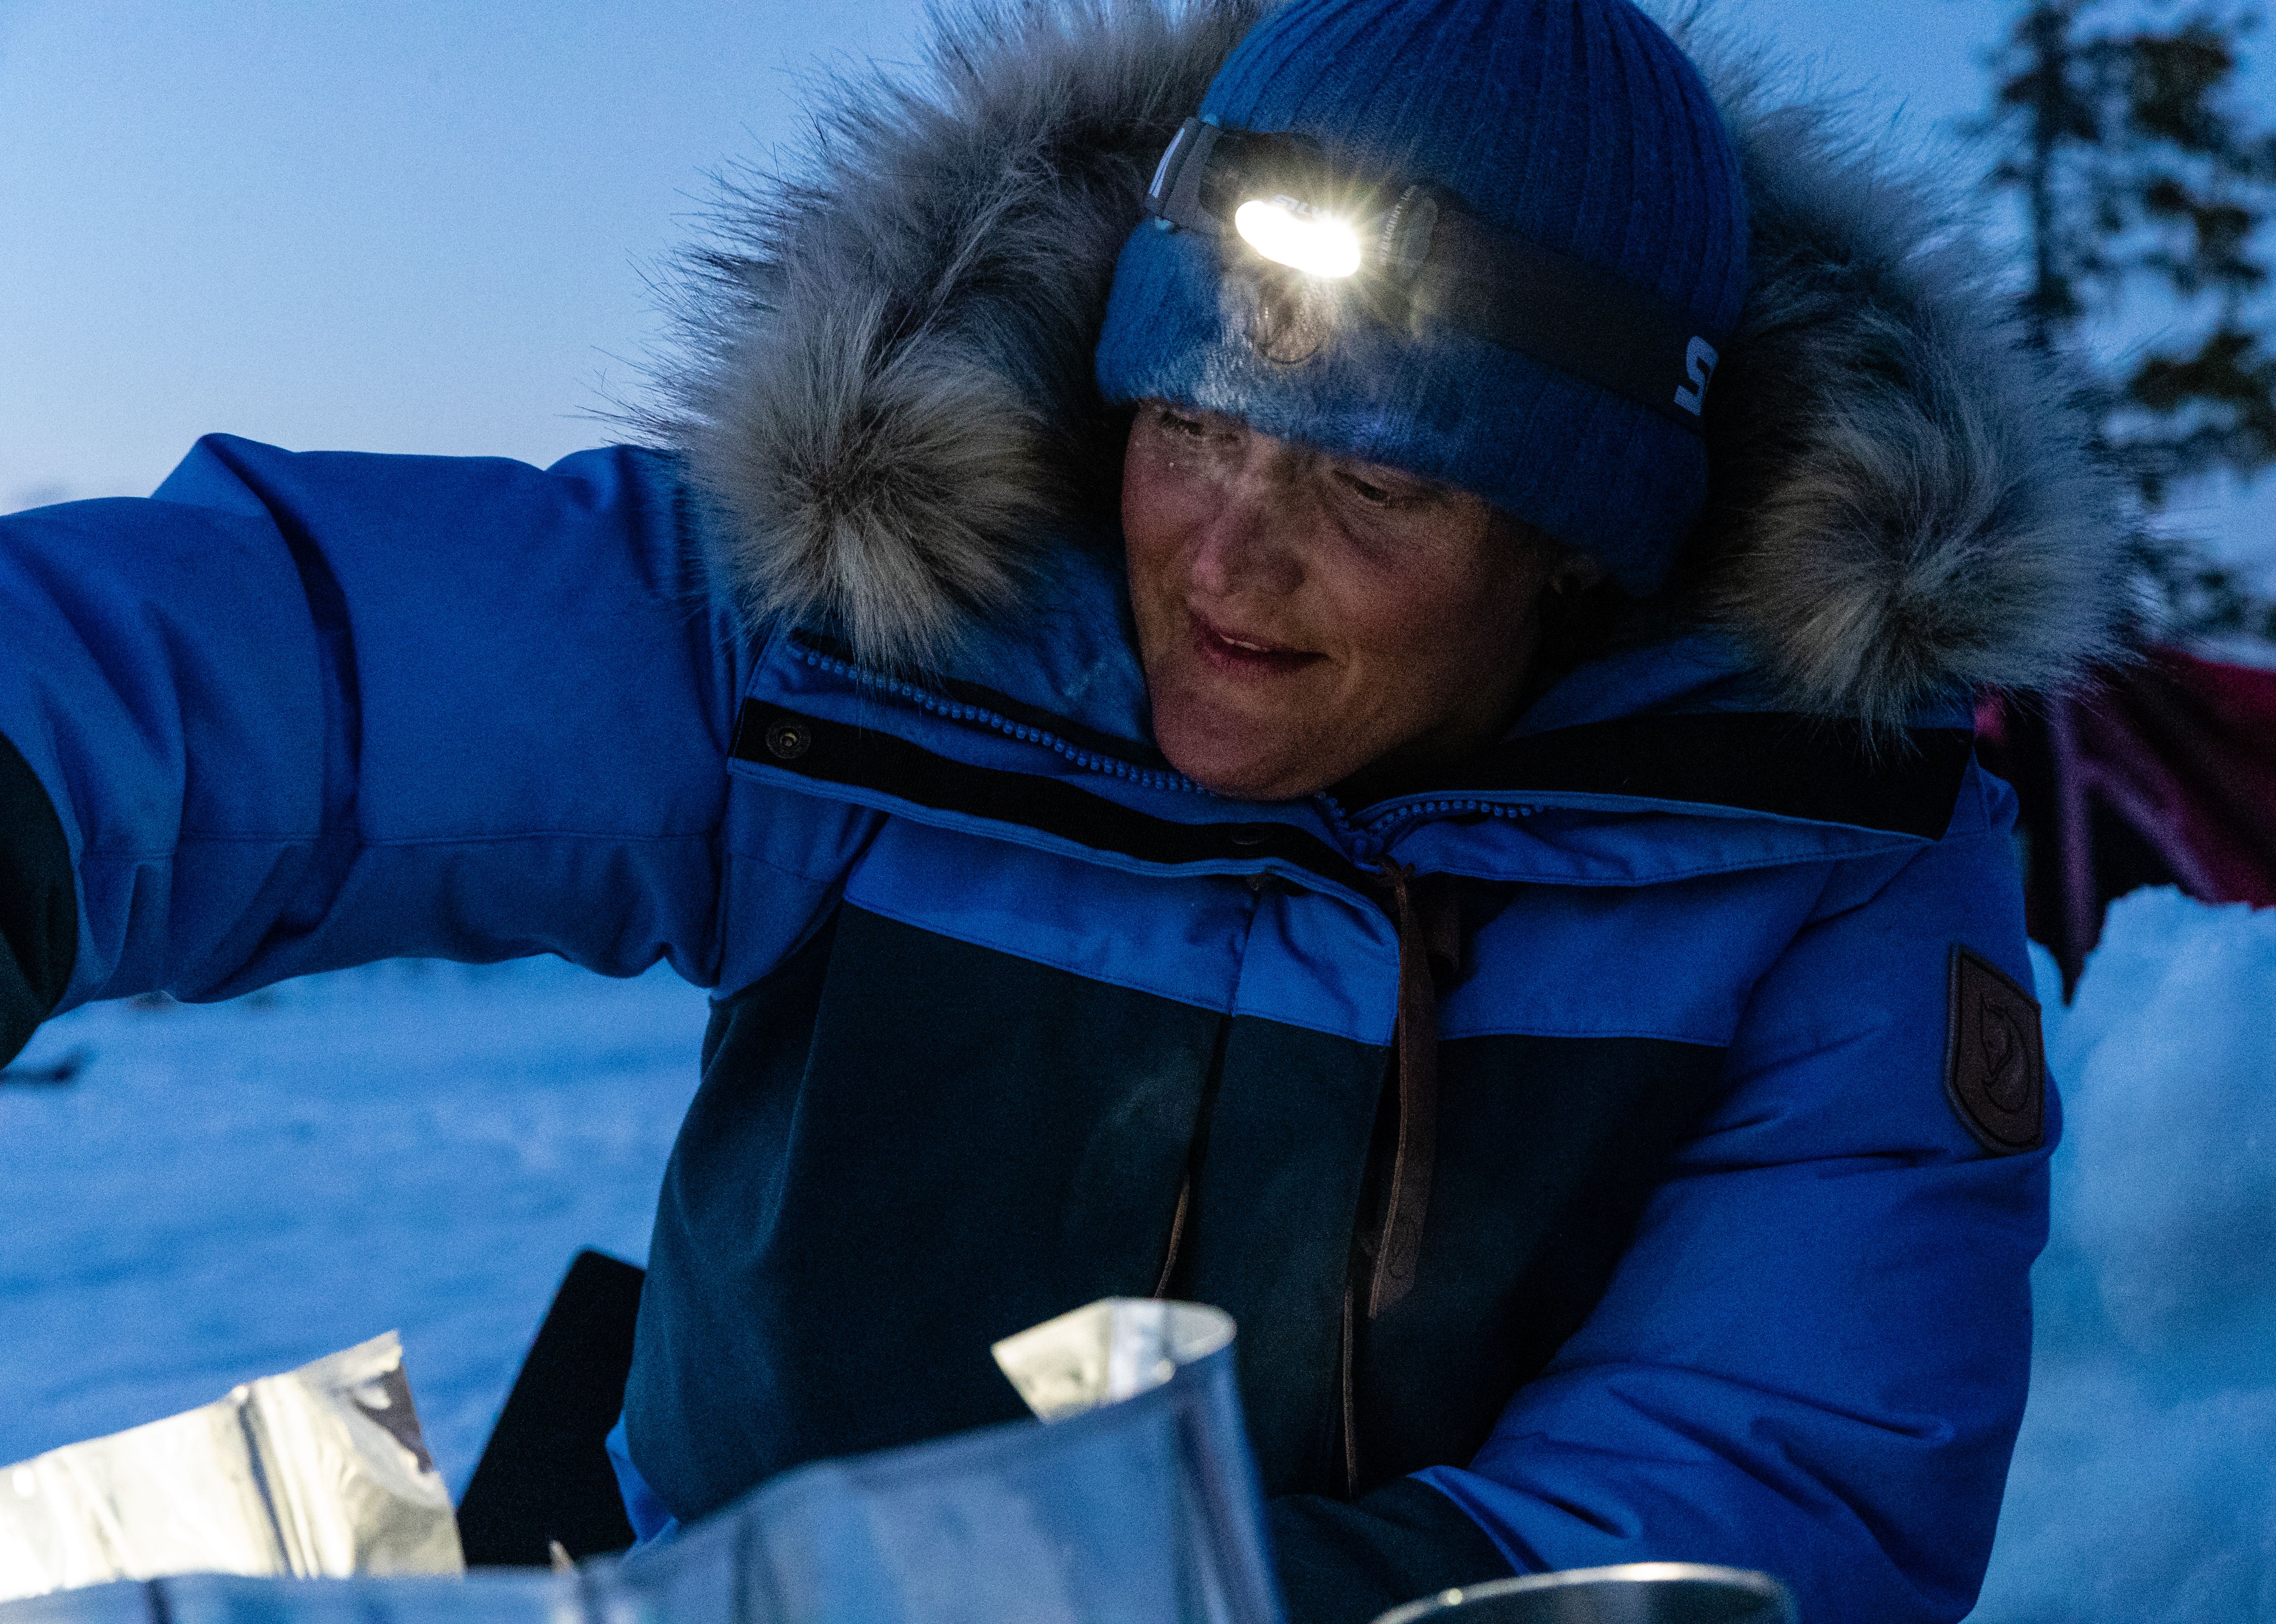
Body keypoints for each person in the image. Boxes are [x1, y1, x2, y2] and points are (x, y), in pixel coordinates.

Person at [0, 0, 2129, 1618]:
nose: (1228, 557)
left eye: (1375, 484)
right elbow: (302, 669)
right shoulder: (866, 624)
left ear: (1585, 543)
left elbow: (1771, 1489)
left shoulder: (1829, 859)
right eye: (1190, 425)